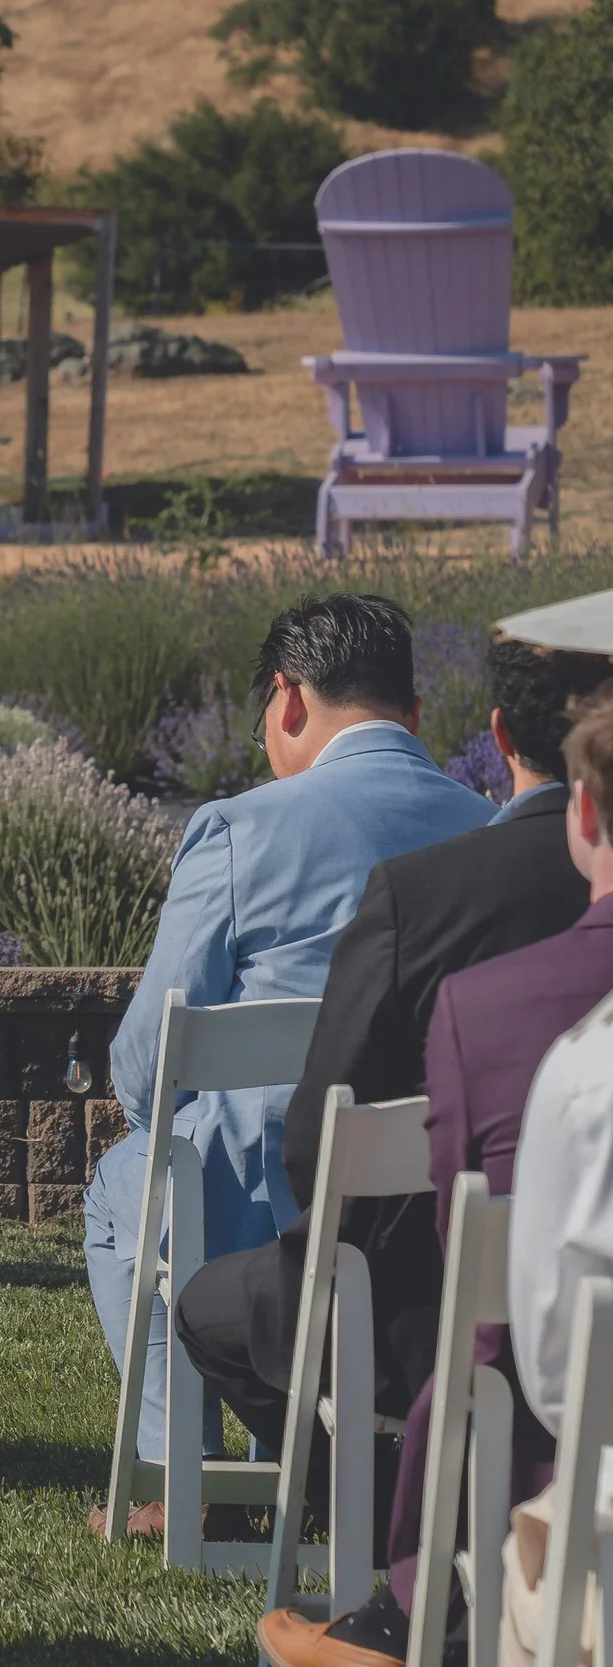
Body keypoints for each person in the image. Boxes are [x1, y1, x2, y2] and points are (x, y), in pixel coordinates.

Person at [85, 594, 494, 1539]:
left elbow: (149, 1072)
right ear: (417, 715)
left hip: (265, 1205)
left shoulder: (240, 830)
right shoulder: (490, 831)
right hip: (439, 1205)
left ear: (288, 699)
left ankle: (195, 1476)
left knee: (121, 1187)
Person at [253, 669, 613, 1667]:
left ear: (584, 812)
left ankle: (408, 1615)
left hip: (555, 1434)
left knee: (477, 1349)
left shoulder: (499, 1008)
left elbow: (506, 1308)